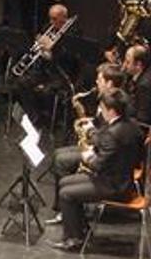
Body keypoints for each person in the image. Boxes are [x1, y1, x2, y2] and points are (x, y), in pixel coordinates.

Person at [49, 89, 143, 252]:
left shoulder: (114, 133)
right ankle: (81, 230)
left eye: (103, 108)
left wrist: (87, 157)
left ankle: (74, 239)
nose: (101, 111)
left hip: (113, 186)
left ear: (112, 111)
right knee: (64, 182)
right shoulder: (132, 125)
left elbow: (98, 165)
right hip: (120, 178)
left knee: (66, 194)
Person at [47, 62, 126, 220]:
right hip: (96, 143)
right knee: (57, 154)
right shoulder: (104, 97)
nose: (96, 82)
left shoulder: (115, 103)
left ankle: (67, 208)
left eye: (100, 79)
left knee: (62, 160)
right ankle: (63, 206)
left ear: (109, 83)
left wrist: (90, 135)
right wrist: (88, 124)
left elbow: (108, 135)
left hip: (102, 153)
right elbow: (100, 124)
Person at [15, 3, 80, 128]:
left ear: (63, 17)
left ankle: (50, 121)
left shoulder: (74, 33)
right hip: (45, 70)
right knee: (21, 82)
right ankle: (35, 117)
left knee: (46, 92)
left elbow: (70, 59)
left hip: (61, 72)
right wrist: (39, 44)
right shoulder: (48, 27)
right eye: (50, 18)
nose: (51, 22)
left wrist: (51, 53)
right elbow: (40, 50)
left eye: (54, 19)